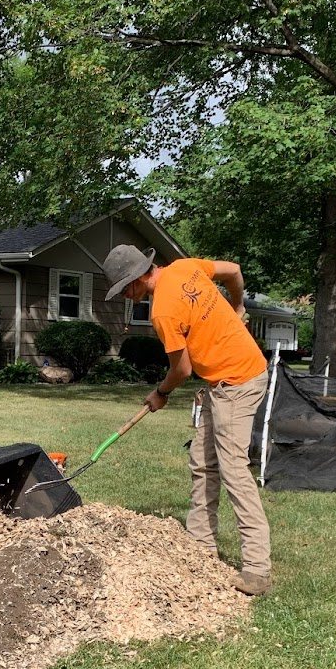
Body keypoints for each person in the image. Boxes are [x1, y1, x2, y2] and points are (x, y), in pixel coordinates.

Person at [104, 244, 273, 596]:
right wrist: (238, 303)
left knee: (233, 469)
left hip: (237, 381)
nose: (126, 297)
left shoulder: (163, 311)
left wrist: (161, 392)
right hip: (224, 381)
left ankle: (257, 569)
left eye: (123, 290)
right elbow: (234, 269)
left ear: (135, 280)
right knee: (202, 462)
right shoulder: (184, 267)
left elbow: (182, 369)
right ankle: (200, 547)